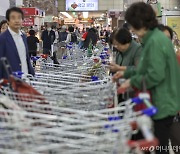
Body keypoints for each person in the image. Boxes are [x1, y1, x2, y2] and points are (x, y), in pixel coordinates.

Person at [113, 2, 180, 154]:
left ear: (140, 23)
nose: (131, 29)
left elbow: (155, 74)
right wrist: (126, 74)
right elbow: (145, 68)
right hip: (159, 101)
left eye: (132, 25)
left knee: (158, 147)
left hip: (162, 103)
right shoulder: (152, 39)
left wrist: (132, 81)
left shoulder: (156, 41)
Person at [0, 7, 34, 78]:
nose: (17, 21)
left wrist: (32, 75)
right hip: (10, 82)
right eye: (13, 18)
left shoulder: (23, 37)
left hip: (26, 79)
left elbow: (26, 58)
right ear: (8, 21)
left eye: (19, 18)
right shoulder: (2, 39)